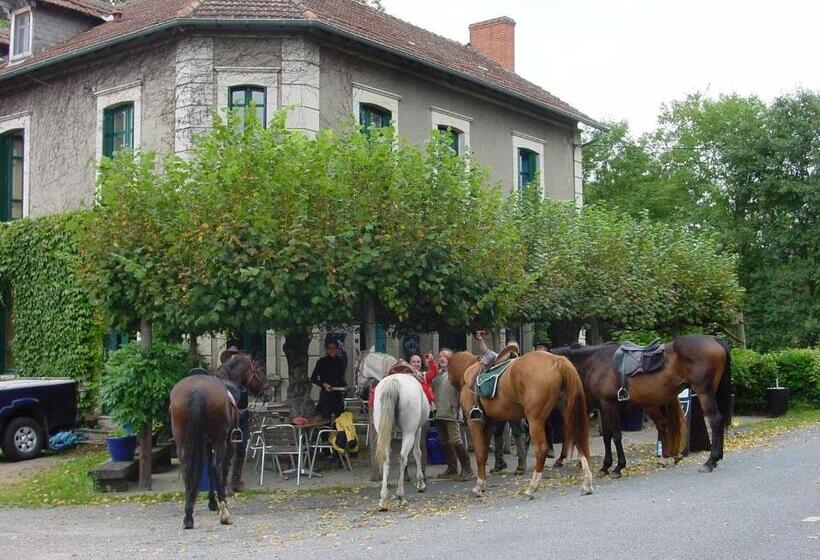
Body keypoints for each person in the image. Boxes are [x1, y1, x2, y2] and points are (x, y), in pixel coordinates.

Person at [430, 348, 474, 481]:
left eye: (445, 356)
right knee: (443, 441)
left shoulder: (456, 374)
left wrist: (458, 409)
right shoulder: (439, 375)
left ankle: (467, 469)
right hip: (439, 412)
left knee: (456, 440)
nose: (441, 358)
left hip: (451, 412)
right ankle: (452, 467)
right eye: (440, 356)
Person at [220, 345, 250, 493]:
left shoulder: (243, 376)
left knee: (242, 449)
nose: (234, 358)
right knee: (227, 450)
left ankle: (236, 481)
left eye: (236, 355)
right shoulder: (221, 375)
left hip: (243, 416)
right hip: (228, 417)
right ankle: (224, 482)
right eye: (232, 355)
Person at [311, 340, 347, 421]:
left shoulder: (340, 361)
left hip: (337, 395)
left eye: (334, 348)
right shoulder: (322, 361)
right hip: (326, 395)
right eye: (330, 348)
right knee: (326, 419)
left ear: (337, 349)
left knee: (340, 420)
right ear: (326, 350)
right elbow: (313, 378)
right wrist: (324, 384)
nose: (332, 350)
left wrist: (344, 387)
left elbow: (341, 378)